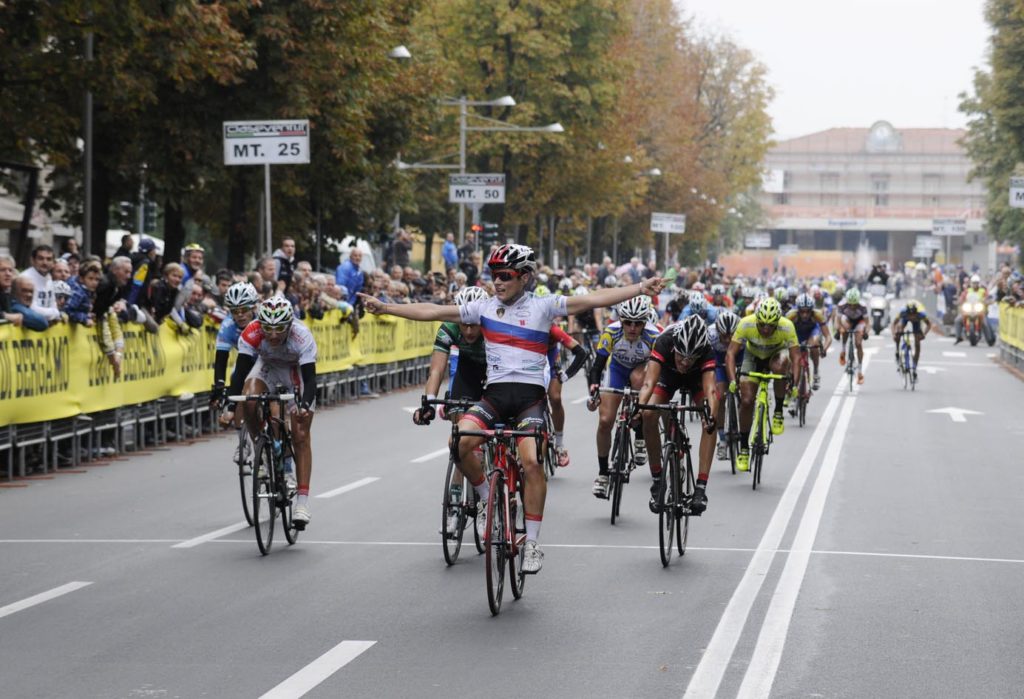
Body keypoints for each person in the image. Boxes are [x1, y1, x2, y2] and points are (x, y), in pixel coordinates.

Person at [359, 243, 665, 574]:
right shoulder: (483, 308)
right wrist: (386, 308)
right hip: (494, 397)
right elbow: (433, 311)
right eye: (494, 275)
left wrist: (640, 288)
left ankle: (531, 542)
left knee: (531, 462)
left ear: (524, 277)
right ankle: (486, 497)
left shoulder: (544, 306)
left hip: (530, 400)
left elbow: (593, 299)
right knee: (458, 443)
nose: (498, 281)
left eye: (505, 275)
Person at [228, 296, 318, 528]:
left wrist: (304, 406)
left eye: (280, 329)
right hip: (267, 367)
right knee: (249, 400)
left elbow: (310, 379)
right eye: (268, 329)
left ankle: (302, 503)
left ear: (289, 324)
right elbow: (240, 372)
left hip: (294, 371)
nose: (274, 335)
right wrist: (230, 406)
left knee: (300, 433)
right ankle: (262, 447)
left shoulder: (302, 336)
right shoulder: (251, 332)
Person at [413, 285, 491, 534]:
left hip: (493, 375)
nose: (468, 331)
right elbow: (437, 370)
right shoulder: (449, 327)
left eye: (473, 325)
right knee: (460, 443)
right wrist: (428, 401)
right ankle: (455, 507)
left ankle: (494, 498)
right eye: (463, 324)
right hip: (467, 376)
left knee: (491, 437)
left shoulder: (493, 327)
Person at [636, 315, 719, 514]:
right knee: (648, 414)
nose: (685, 362)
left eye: (691, 358)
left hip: (695, 379)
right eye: (681, 356)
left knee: (710, 421)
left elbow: (710, 390)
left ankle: (700, 488)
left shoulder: (706, 350)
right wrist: (638, 409)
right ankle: (658, 480)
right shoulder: (665, 341)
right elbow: (648, 383)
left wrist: (711, 416)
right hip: (668, 376)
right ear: (675, 347)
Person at [586, 295, 660, 499]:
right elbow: (597, 366)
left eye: (638, 323)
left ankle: (640, 434)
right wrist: (594, 388)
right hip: (617, 370)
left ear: (645, 322)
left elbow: (658, 371)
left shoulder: (654, 336)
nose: (632, 328)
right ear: (621, 320)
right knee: (605, 421)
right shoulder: (611, 332)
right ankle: (603, 474)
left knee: (638, 380)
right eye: (627, 322)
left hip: (641, 369)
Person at [725, 297, 800, 472]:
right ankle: (744, 448)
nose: (766, 329)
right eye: (762, 325)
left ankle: (778, 411)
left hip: (776, 355)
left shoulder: (787, 326)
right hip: (752, 357)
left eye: (771, 326)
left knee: (781, 367)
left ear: (777, 323)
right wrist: (733, 381)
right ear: (756, 319)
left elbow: (796, 357)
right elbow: (730, 354)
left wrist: (795, 385)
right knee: (746, 401)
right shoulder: (746, 323)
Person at [785, 293, 831, 390]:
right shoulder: (790, 315)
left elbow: (828, 336)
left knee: (814, 345)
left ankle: (816, 372)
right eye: (802, 311)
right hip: (796, 333)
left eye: (808, 311)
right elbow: (782, 333)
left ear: (812, 310)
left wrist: (824, 349)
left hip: (812, 332)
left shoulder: (818, 315)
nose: (805, 315)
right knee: (791, 355)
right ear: (798, 310)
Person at [19, 244, 62, 324]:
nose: (45, 262)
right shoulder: (25, 278)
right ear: (32, 260)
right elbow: (31, 309)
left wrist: (55, 313)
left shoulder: (49, 277)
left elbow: (53, 303)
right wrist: (55, 314)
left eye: (49, 259)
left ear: (53, 262)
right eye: (41, 258)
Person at [891, 300, 932, 380]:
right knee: (899, 332)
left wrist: (924, 334)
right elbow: (894, 324)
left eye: (913, 316)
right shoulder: (903, 313)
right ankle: (897, 350)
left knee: (917, 341)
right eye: (910, 316)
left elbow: (929, 324)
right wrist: (894, 334)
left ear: (916, 313)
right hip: (904, 320)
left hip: (917, 323)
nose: (912, 318)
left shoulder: (921, 314)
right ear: (907, 314)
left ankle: (914, 366)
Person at [836, 287, 869, 383]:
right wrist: (838, 330)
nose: (853, 306)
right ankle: (843, 350)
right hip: (847, 320)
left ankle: (860, 371)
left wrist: (866, 332)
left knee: (858, 344)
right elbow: (837, 321)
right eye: (850, 304)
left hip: (859, 321)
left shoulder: (863, 306)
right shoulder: (842, 305)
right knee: (844, 328)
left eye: (855, 304)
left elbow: (867, 322)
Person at [65, 260, 104, 327]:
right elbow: (68, 310)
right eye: (90, 278)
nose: (94, 282)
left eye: (97, 279)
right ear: (82, 279)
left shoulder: (89, 292)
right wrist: (84, 319)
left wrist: (88, 315)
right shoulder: (78, 293)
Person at [0, 255, 24, 326]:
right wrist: (5, 316)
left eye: (10, 270)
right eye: (3, 270)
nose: (8, 274)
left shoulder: (5, 292)